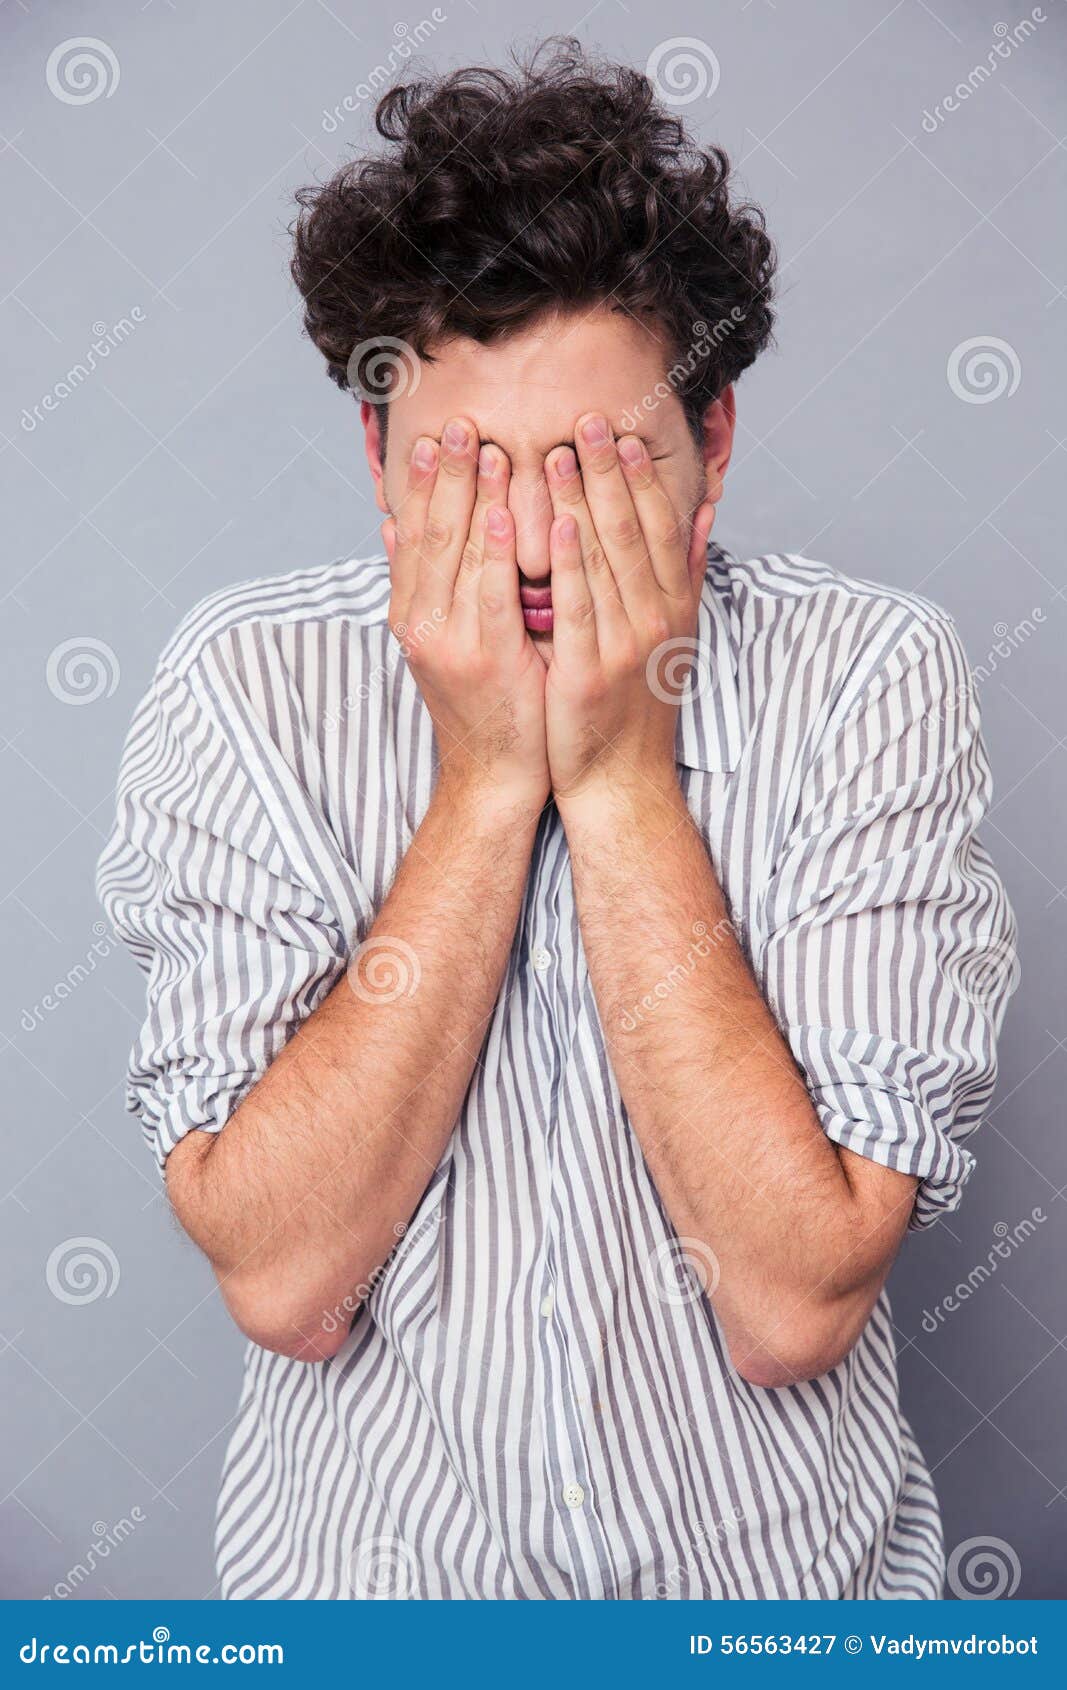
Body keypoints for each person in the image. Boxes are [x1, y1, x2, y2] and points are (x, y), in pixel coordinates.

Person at [98, 40, 1016, 1600]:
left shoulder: (873, 673)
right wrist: (482, 785)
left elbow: (790, 1304)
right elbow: (288, 1278)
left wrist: (619, 779)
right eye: (468, 471)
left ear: (712, 448)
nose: (532, 540)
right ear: (379, 459)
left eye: (601, 466)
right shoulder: (248, 683)